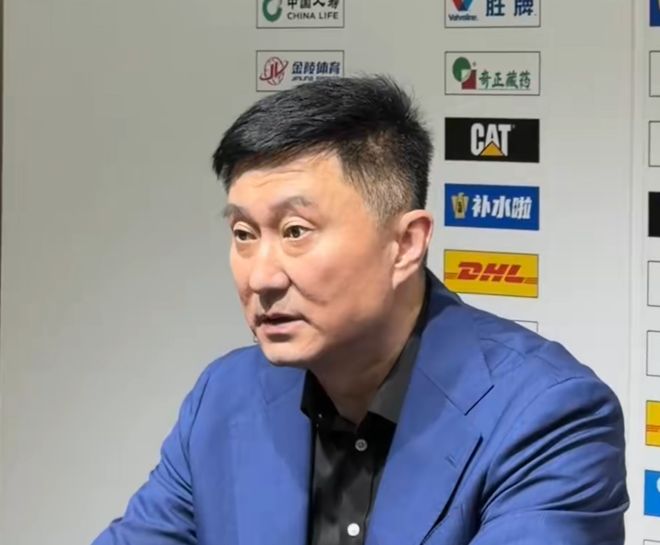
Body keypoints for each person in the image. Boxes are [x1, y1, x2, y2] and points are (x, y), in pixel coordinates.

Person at [92, 76, 628, 545]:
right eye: (244, 234)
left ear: (406, 244)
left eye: (295, 231)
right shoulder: (223, 397)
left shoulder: (546, 416)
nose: (261, 277)